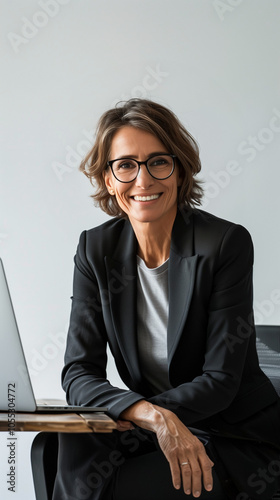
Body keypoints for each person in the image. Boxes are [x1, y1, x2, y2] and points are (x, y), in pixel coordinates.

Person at [53, 99, 280, 500]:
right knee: (59, 446)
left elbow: (221, 381)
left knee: (117, 486)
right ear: (108, 179)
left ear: (180, 170)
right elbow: (78, 373)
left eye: (158, 161)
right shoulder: (95, 249)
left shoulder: (224, 244)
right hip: (154, 423)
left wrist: (151, 417)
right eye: (125, 165)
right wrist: (150, 415)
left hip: (230, 434)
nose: (142, 180)